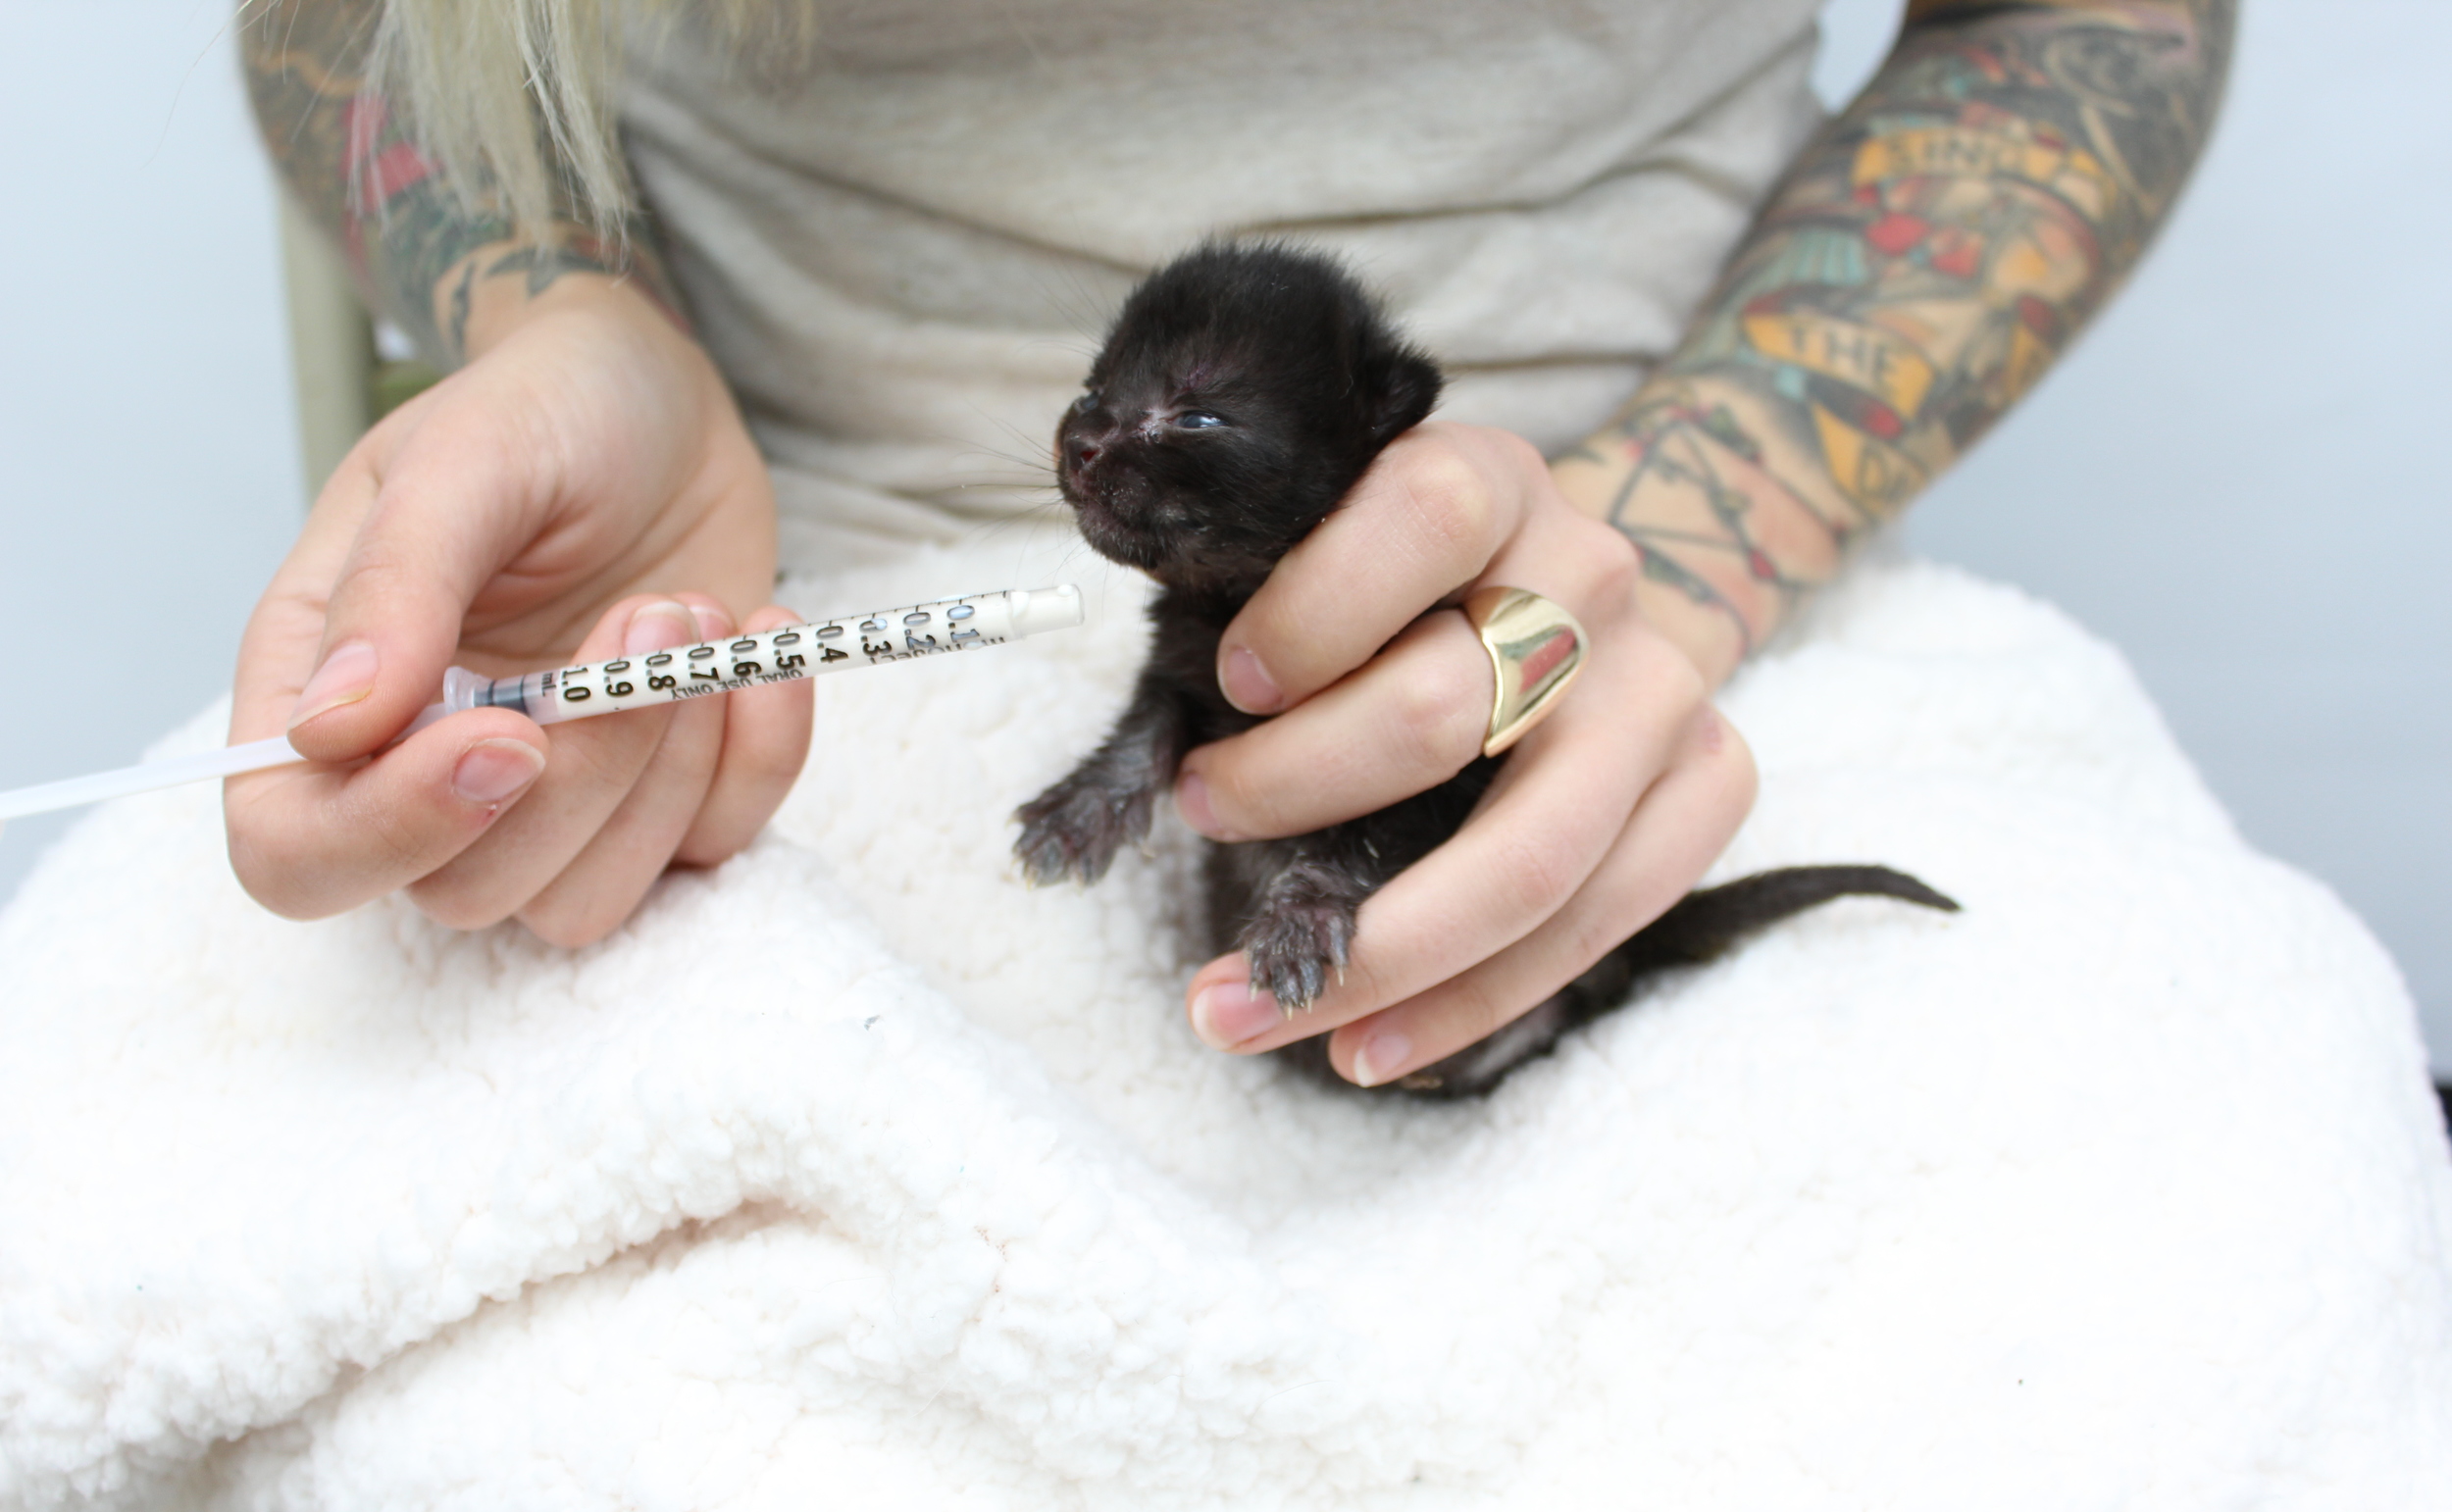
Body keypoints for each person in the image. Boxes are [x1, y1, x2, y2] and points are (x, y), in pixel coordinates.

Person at [232, 0, 2230, 1088]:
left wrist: (1680, 536)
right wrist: (573, 318)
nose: (1112, 448)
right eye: (1110, 411)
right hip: (761, 612)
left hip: (1665, 616)